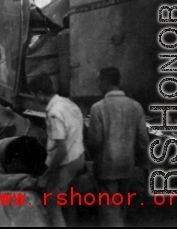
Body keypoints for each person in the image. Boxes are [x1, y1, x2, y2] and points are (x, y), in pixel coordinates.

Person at [87, 67, 149, 227]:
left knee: (109, 212)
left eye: (99, 81)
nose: (98, 85)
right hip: (128, 167)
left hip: (106, 169)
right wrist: (142, 163)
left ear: (106, 82)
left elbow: (95, 141)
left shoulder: (98, 108)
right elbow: (143, 139)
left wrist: (91, 156)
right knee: (122, 208)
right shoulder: (136, 106)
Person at [29, 74, 85, 227]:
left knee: (53, 202)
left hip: (67, 162)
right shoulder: (67, 103)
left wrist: (46, 175)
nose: (34, 99)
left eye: (34, 95)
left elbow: (61, 150)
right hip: (79, 157)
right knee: (68, 199)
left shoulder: (54, 113)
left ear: (40, 93)